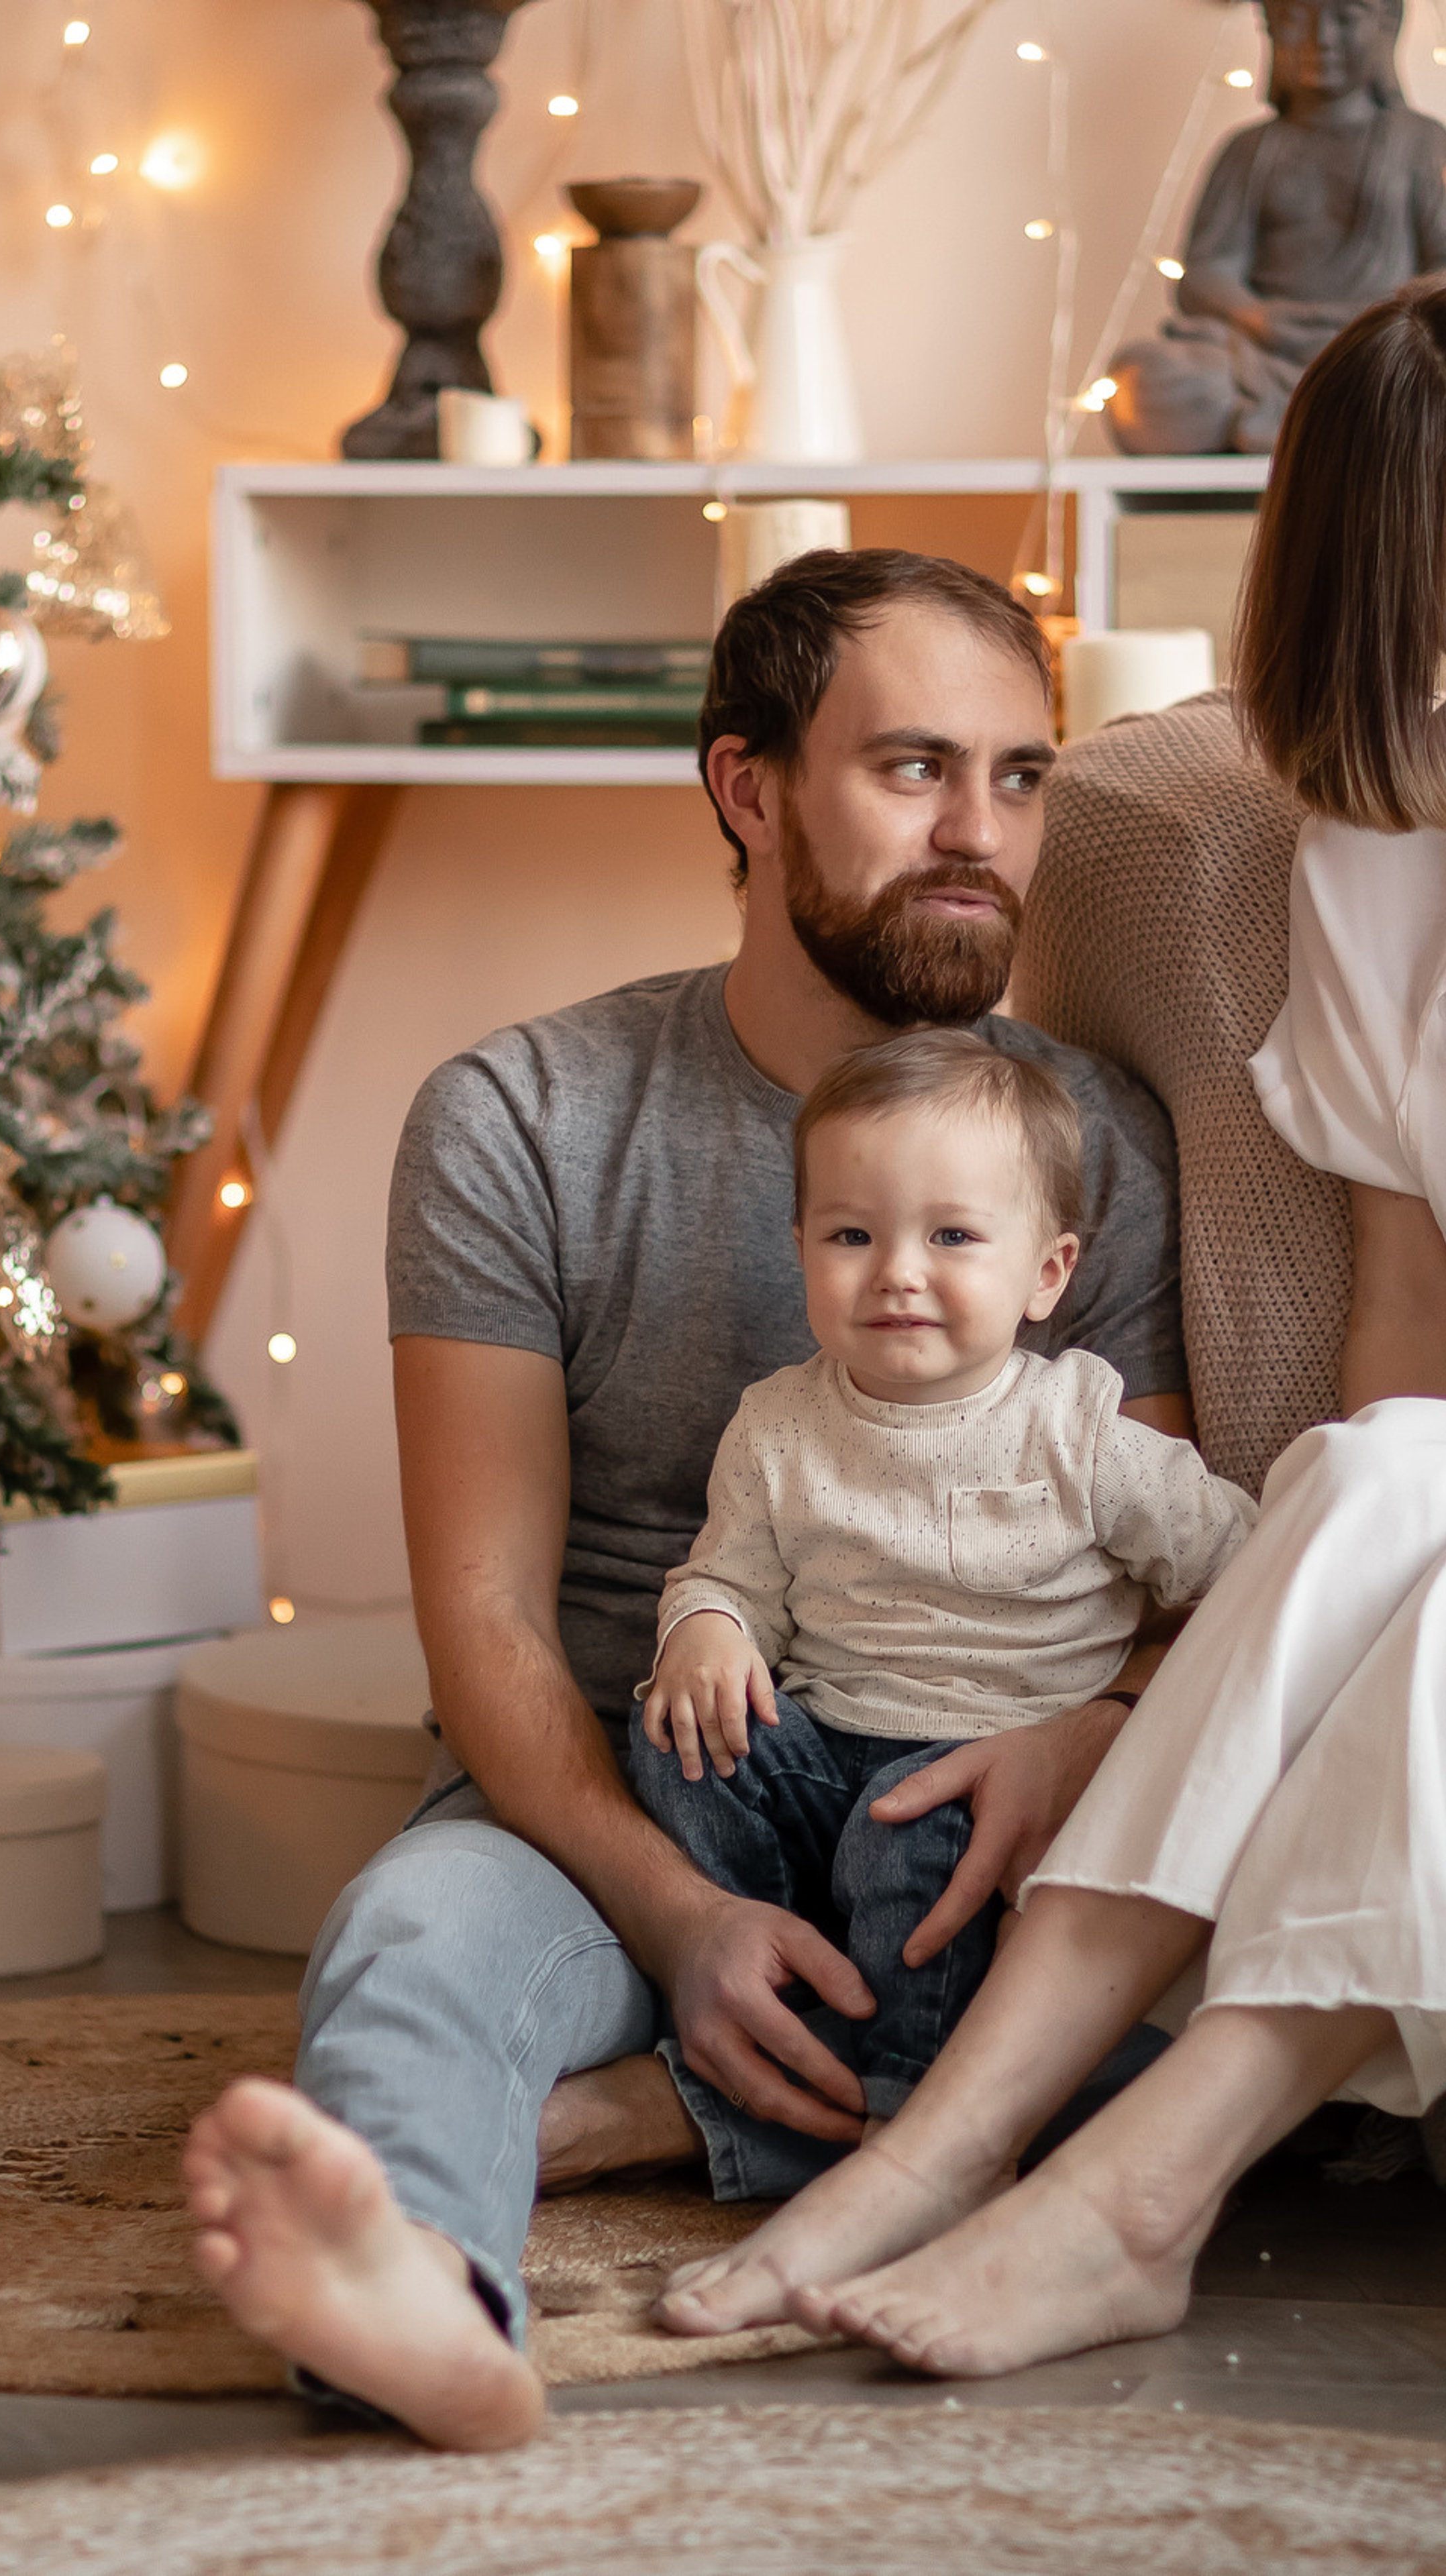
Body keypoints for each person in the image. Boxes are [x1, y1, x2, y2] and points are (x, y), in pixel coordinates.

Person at [182, 547, 1192, 2450]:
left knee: (1190, 2013)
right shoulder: (522, 1118)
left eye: (1018, 776)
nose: (979, 834)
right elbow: (486, 1620)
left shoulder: (1088, 1143)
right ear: (749, 788)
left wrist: (1091, 1735)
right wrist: (673, 1918)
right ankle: (418, 2301)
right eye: (912, 768)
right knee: (409, 1941)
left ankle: (649, 2120)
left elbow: (1169, 1566)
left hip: (978, 1824)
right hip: (610, 1800)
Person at [645, 274, 1446, 2381]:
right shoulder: (1378, 857)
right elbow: (1403, 1335)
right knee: (1380, 1471)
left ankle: (1123, 2193)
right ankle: (954, 2146)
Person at [630, 1032, 1253, 2161]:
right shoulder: (778, 1424)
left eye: (953, 1236)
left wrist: (1128, 1720)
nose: (897, 1271)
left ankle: (907, 2102)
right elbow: (729, 1575)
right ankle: (783, 1969)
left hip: (984, 1778)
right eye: (852, 1236)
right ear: (801, 1250)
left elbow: (1251, 1569)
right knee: (677, 1735)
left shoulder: (1078, 1432)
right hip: (825, 1751)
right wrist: (708, 1632)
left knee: (910, 1835)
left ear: (1047, 1274)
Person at [1108, 0, 1446, 456]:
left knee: (1426, 369)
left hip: (1387, 355)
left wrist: (1379, 318)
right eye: (1295, 20)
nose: (1320, 40)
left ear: (1387, 24)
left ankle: (1329, 416)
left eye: (1345, 18)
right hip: (1267, 360)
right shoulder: (1249, 150)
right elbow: (1203, 275)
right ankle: (1326, 422)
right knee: (1141, 384)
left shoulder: (1423, 144)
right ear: (1269, 28)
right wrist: (1255, 317)